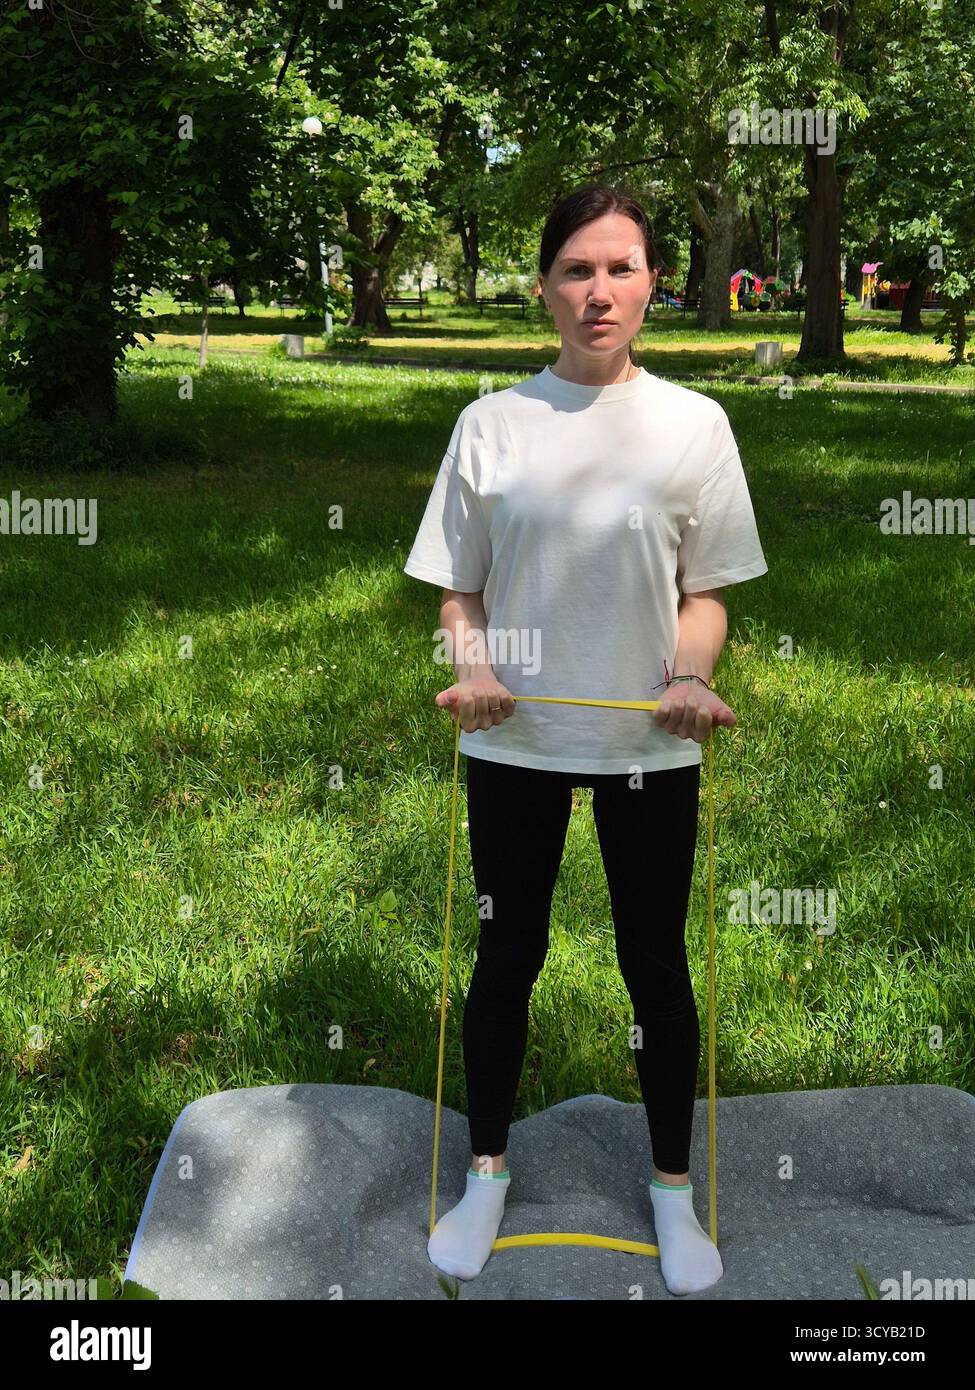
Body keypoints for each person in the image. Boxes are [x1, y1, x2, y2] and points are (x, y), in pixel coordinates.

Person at [402, 184, 768, 1294]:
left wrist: (693, 673)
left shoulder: (695, 424)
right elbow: (458, 593)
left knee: (655, 966)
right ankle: (486, 1172)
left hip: (649, 746)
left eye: (621, 267)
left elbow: (704, 592)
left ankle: (669, 1190)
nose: (598, 291)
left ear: (654, 282)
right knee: (506, 958)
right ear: (543, 288)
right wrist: (473, 668)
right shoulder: (491, 423)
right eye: (576, 269)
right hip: (513, 744)